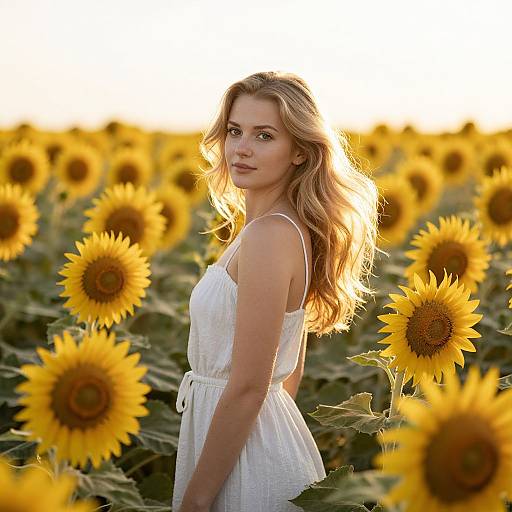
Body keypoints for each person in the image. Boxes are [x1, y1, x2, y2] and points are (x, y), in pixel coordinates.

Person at [172, 71, 380, 512]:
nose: (241, 148)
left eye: (264, 135)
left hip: (243, 461)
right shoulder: (270, 230)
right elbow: (289, 374)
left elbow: (250, 385)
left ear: (300, 151)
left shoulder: (270, 236)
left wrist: (197, 497)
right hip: (248, 443)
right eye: (234, 131)